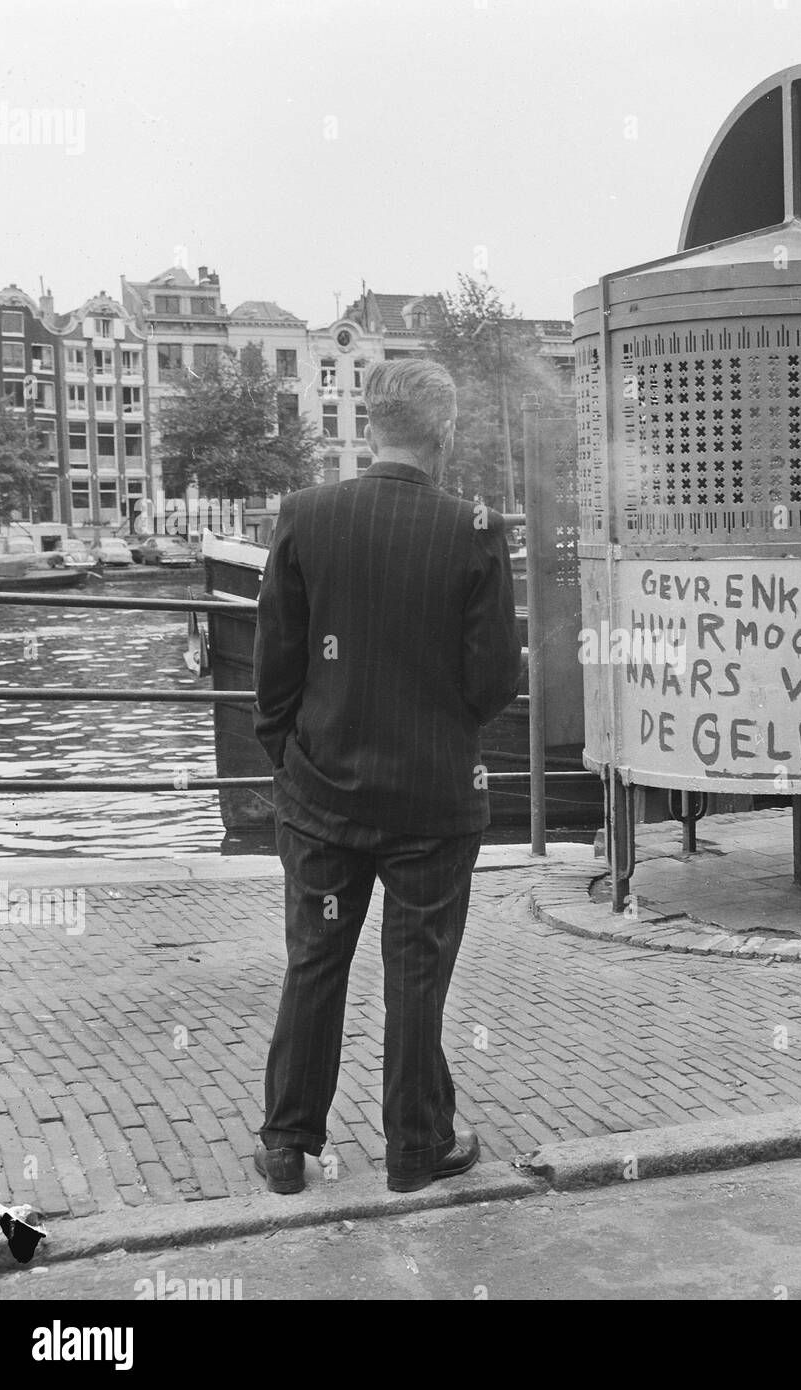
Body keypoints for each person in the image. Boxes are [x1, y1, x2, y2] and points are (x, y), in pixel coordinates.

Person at [252, 357, 521, 1194]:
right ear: (444, 433)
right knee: (415, 975)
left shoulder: (305, 517)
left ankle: (288, 1145)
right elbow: (490, 682)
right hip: (433, 804)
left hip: (322, 795)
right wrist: (443, 734)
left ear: (368, 425)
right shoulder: (474, 529)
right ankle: (416, 1147)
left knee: (315, 962)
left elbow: (275, 672)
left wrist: (296, 764)